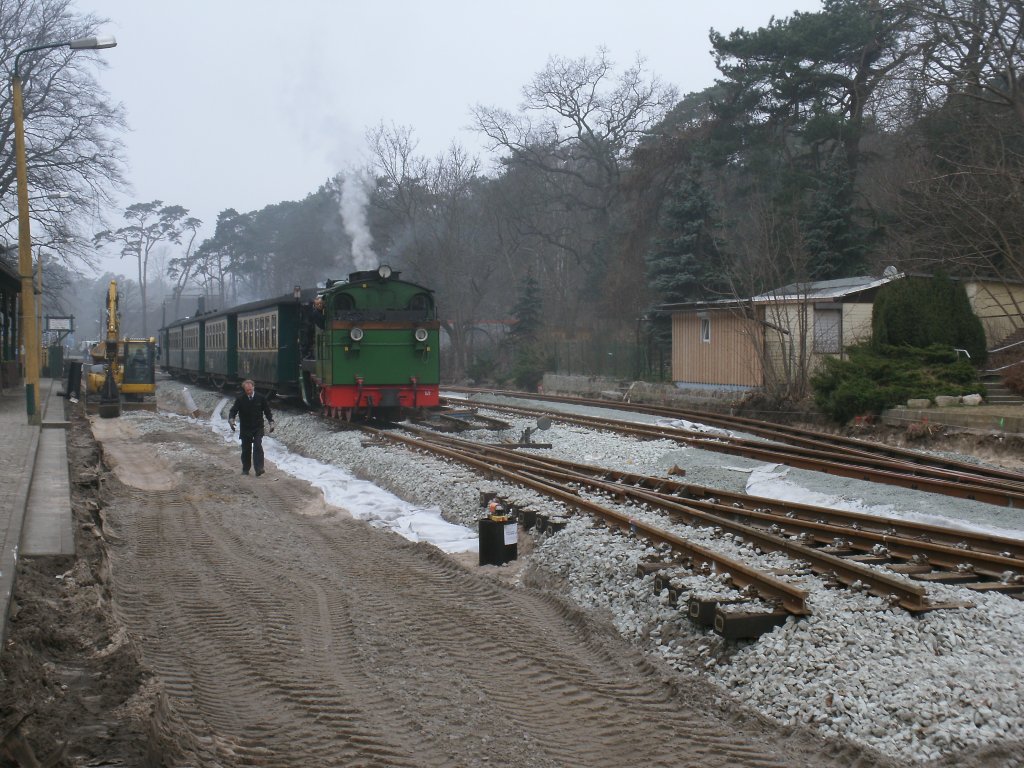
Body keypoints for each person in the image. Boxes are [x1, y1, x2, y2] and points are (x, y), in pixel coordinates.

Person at [228, 379, 274, 476]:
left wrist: (271, 422)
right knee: (246, 449)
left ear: (253, 387)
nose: (249, 392)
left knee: (258, 446)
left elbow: (267, 411)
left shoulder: (261, 398)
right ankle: (246, 469)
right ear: (244, 390)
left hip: (258, 426)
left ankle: (259, 468)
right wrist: (231, 420)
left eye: (250, 390)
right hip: (245, 427)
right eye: (247, 390)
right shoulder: (240, 399)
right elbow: (233, 410)